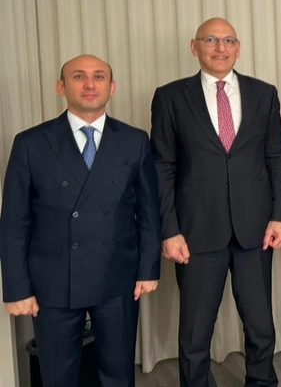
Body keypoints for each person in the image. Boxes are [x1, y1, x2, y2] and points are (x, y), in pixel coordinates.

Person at [0, 55, 161, 387]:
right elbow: (14, 222)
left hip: (117, 274)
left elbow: (148, 210)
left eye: (99, 76)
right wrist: (16, 288)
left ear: (112, 87)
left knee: (118, 373)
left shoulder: (134, 140)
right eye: (79, 76)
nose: (90, 84)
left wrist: (148, 268)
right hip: (53, 280)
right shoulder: (31, 143)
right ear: (61, 86)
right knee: (58, 375)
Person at [151, 17, 281, 387]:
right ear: (194, 46)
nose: (220, 47)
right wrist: (169, 229)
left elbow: (276, 157)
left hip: (255, 231)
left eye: (228, 40)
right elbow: (162, 167)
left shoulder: (264, 94)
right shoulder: (170, 97)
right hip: (196, 232)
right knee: (195, 333)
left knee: (261, 326)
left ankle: (262, 382)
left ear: (238, 48)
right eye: (210, 40)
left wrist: (279, 215)